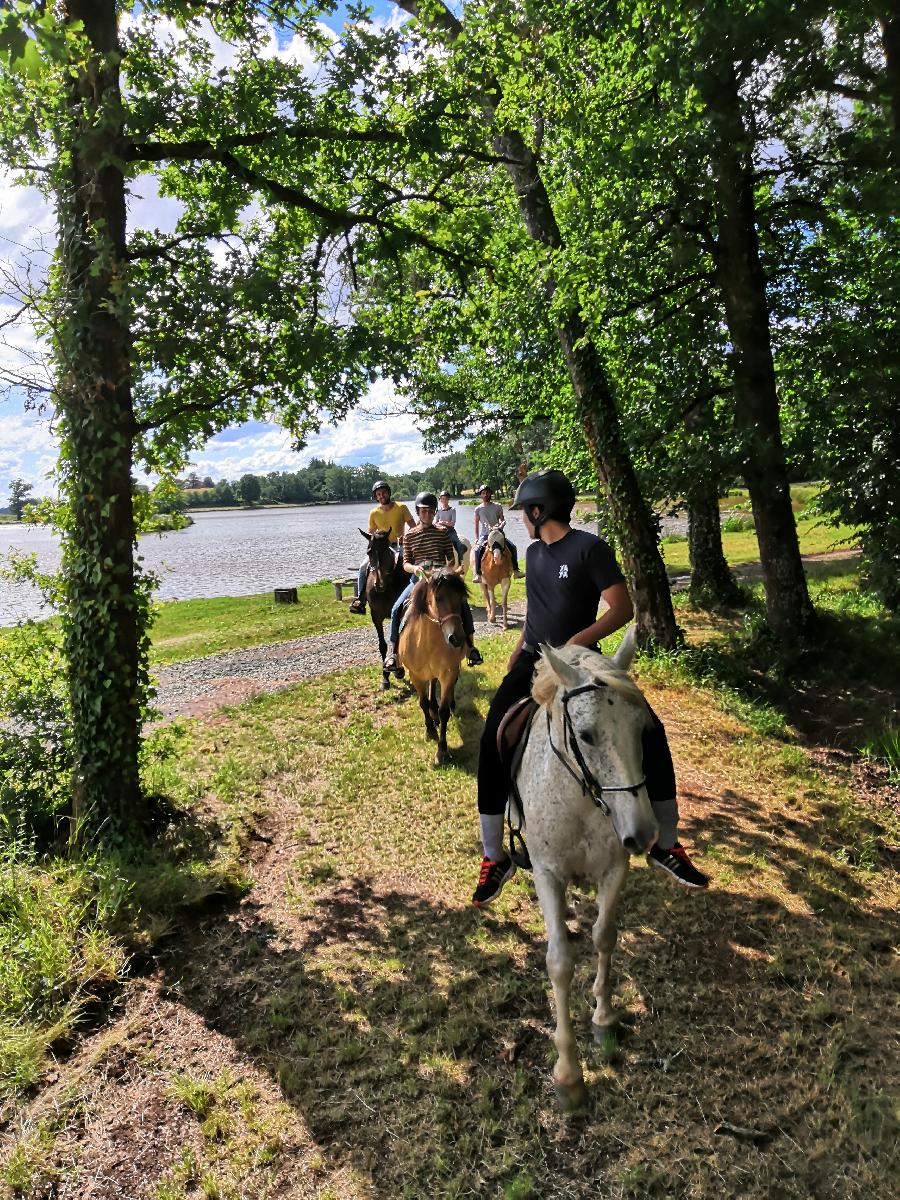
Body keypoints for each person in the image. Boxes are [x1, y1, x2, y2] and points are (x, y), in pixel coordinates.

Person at [471, 468, 709, 907]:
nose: (523, 518)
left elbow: (621, 608)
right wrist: (520, 651)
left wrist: (577, 643)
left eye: (526, 511)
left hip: (582, 659)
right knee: (493, 736)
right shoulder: (535, 554)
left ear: (540, 510)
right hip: (535, 658)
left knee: (648, 726)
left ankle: (667, 844)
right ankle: (494, 855)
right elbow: (538, 613)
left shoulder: (590, 549)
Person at [383, 492, 484, 671]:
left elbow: (450, 559)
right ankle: (394, 654)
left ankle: (470, 648)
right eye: (423, 512)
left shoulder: (442, 532)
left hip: (440, 580)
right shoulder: (409, 535)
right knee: (397, 608)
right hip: (418, 580)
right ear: (418, 512)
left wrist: (447, 570)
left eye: (430, 511)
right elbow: (405, 563)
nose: (427, 515)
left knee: (463, 604)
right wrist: (415, 569)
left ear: (434, 512)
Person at [349, 480, 415, 615]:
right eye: (378, 494)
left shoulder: (401, 507)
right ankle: (361, 600)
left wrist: (406, 537)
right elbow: (372, 533)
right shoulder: (374, 513)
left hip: (398, 545)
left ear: (388, 493)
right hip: (381, 548)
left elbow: (413, 527)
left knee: (408, 565)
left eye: (383, 493)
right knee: (363, 567)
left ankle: (414, 594)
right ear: (376, 497)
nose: (381, 496)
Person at [472, 484, 524, 582]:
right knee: (477, 550)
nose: (486, 494)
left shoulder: (498, 506)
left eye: (487, 492)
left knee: (512, 547)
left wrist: (501, 525)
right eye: (483, 493)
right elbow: (476, 525)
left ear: (490, 493)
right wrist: (476, 538)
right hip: (485, 535)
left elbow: (502, 520)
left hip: (498, 534)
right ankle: (478, 574)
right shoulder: (478, 509)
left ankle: (516, 570)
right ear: (481, 495)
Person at [434, 490, 467, 563]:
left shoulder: (452, 510)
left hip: (451, 531)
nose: (444, 500)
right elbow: (436, 523)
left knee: (458, 544)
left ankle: (461, 562)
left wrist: (443, 522)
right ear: (440, 500)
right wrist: (439, 524)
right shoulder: (438, 511)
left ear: (448, 500)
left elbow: (452, 523)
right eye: (442, 499)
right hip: (441, 531)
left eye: (446, 499)